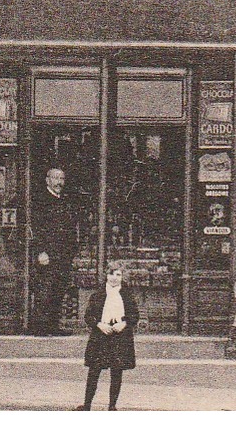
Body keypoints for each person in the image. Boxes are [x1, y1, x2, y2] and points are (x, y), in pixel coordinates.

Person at [78, 263, 138, 411]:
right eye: (111, 274)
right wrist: (99, 324)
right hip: (101, 335)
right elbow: (88, 316)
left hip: (120, 336)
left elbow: (134, 315)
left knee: (116, 371)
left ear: (122, 277)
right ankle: (87, 405)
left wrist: (124, 324)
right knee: (94, 370)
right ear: (106, 275)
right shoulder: (97, 295)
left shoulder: (127, 296)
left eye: (118, 275)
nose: (114, 278)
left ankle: (112, 406)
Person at [31, 166, 80, 336]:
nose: (59, 182)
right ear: (47, 180)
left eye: (62, 179)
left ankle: (53, 325)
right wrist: (40, 251)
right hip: (47, 255)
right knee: (45, 289)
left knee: (59, 289)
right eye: (56, 178)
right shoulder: (40, 200)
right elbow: (35, 229)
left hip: (63, 255)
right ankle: (40, 326)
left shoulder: (65, 201)